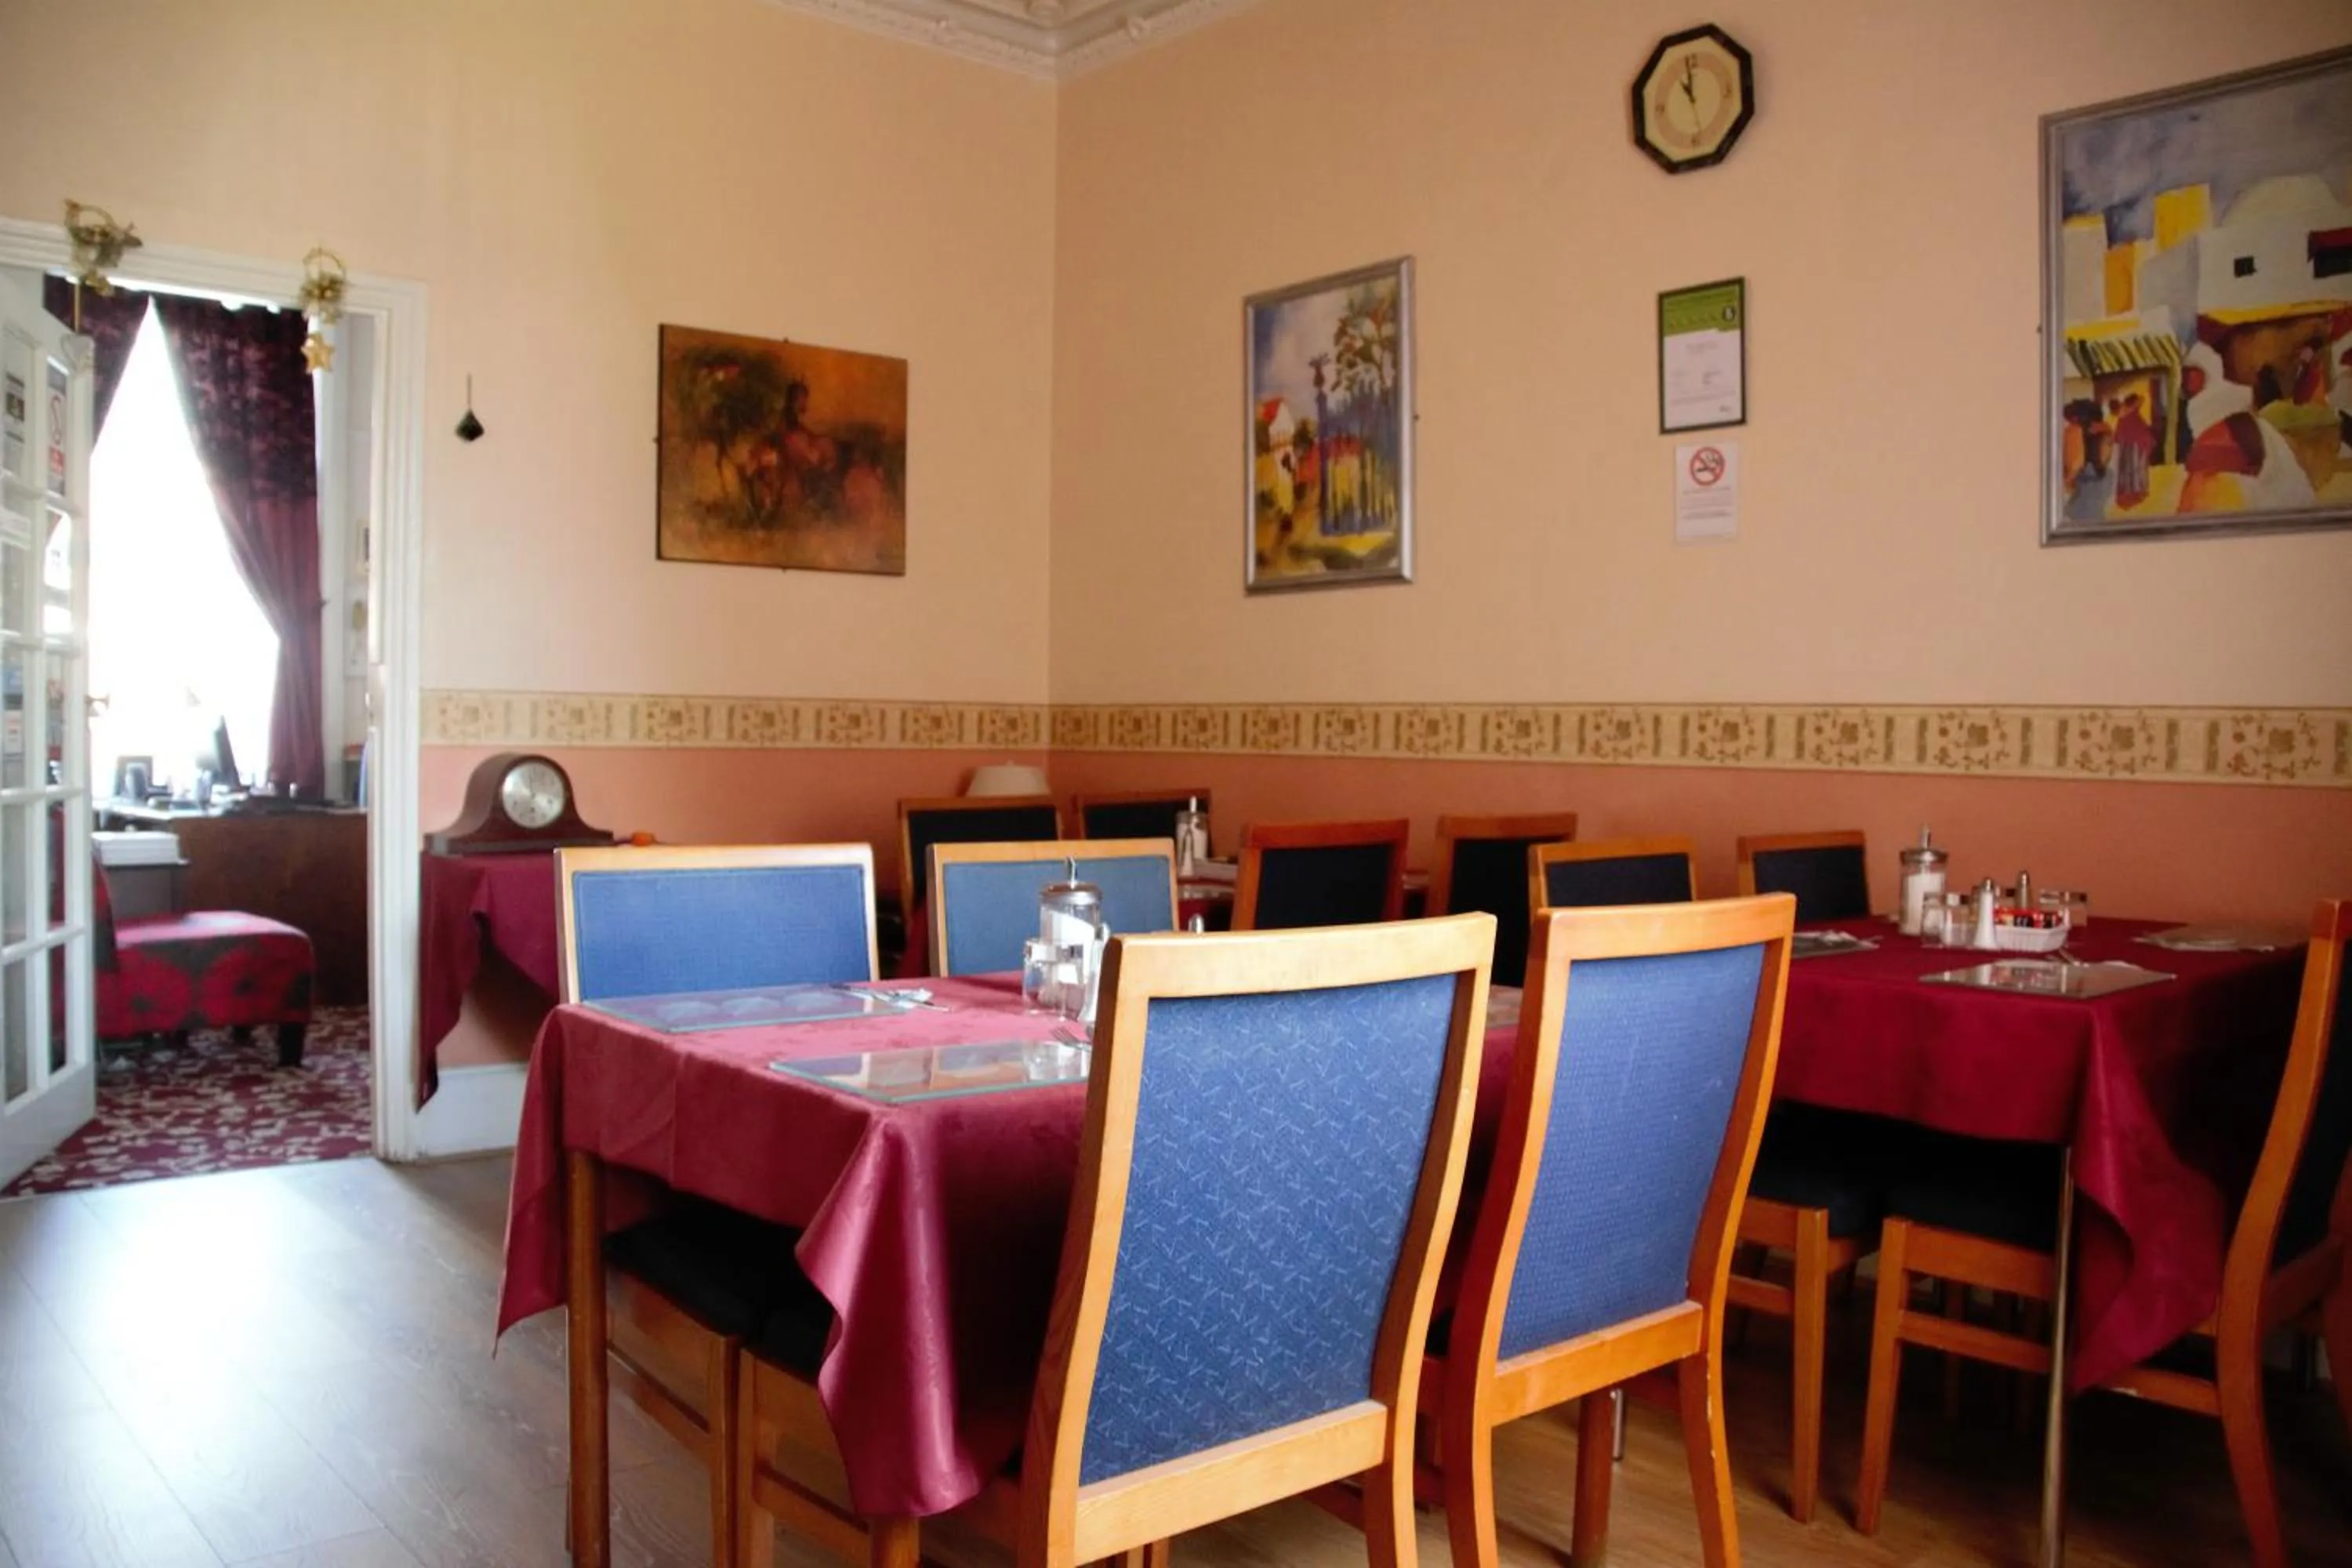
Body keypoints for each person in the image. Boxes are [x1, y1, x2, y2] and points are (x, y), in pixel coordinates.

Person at [2111, 392, 2156, 508]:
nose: (2119, 413)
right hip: (2130, 445)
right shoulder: (2128, 416)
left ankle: (2138, 490)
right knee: (2131, 468)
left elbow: (2141, 398)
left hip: (2136, 444)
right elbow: (2119, 434)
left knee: (2137, 467)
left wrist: (2131, 406)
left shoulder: (2131, 414)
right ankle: (2134, 491)